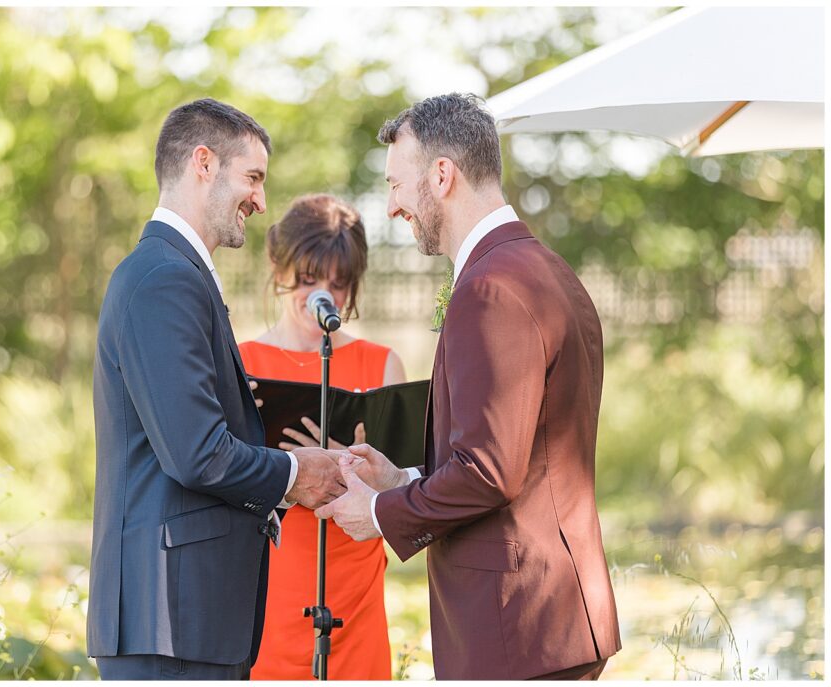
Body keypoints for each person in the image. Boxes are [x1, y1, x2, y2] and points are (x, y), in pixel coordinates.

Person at [315, 93, 621, 680]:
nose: (392, 205)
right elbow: (522, 457)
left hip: (517, 625)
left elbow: (488, 472)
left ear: (442, 174)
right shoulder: (550, 271)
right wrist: (404, 478)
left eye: (397, 185)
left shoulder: (490, 290)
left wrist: (379, 510)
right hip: (556, 618)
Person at [87, 98, 345, 681]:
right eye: (252, 178)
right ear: (203, 163)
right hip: (168, 618)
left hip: (182, 617)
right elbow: (197, 453)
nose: (261, 200)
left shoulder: (173, 272)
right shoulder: (165, 278)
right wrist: (294, 474)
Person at [238, 194, 407, 680]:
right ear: (278, 264)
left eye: (338, 284)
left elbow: (406, 490)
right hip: (270, 581)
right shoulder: (242, 361)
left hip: (354, 587)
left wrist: (352, 467)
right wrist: (290, 471)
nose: (322, 296)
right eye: (308, 279)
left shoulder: (382, 363)